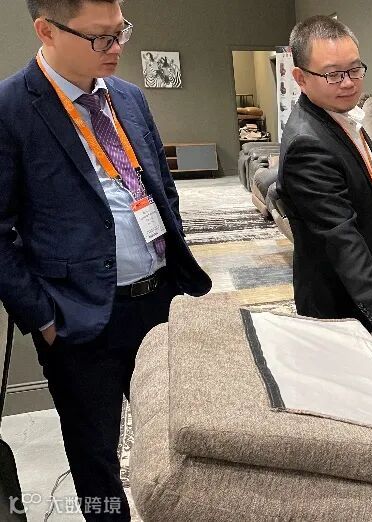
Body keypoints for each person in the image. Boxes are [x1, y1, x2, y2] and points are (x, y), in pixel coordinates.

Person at [0, 0, 211, 519]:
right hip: (79, 318)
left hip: (158, 301)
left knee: (175, 436)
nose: (116, 48)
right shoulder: (10, 108)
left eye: (121, 32)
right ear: (46, 30)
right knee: (96, 456)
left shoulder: (127, 96)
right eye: (100, 37)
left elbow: (159, 186)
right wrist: (44, 318)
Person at [279, 16, 372, 341]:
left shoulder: (342, 116)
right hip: (336, 298)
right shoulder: (308, 144)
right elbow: (339, 235)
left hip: (363, 278)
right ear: (301, 78)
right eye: (333, 74)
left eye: (354, 69)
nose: (348, 83)